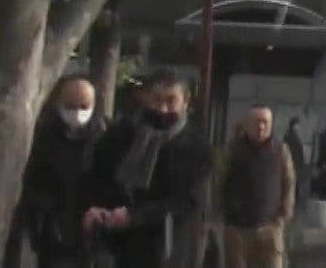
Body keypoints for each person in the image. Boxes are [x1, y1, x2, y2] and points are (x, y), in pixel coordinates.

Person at [84, 69, 212, 268]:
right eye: (156, 100)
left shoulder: (196, 148)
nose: (162, 109)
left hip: (169, 248)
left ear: (185, 102)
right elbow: (99, 177)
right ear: (144, 98)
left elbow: (188, 200)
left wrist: (134, 216)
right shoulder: (119, 136)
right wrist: (99, 209)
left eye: (171, 101)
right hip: (119, 245)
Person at [17, 74, 106, 268]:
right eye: (70, 105)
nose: (77, 113)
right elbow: (32, 183)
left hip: (92, 236)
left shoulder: (105, 139)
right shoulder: (43, 137)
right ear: (59, 102)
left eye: (84, 106)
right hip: (52, 234)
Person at [218, 104, 296, 268]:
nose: (261, 126)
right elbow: (218, 181)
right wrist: (221, 214)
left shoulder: (281, 150)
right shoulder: (232, 150)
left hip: (270, 227)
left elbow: (289, 181)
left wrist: (284, 213)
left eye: (265, 122)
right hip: (238, 229)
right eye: (256, 122)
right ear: (247, 124)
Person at [283, 117, 309, 208]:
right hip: (294, 165)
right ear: (294, 125)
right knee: (293, 187)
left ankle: (293, 204)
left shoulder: (292, 135)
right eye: (298, 125)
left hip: (294, 165)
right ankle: (292, 205)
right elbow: (293, 152)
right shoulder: (291, 136)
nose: (299, 127)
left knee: (294, 186)